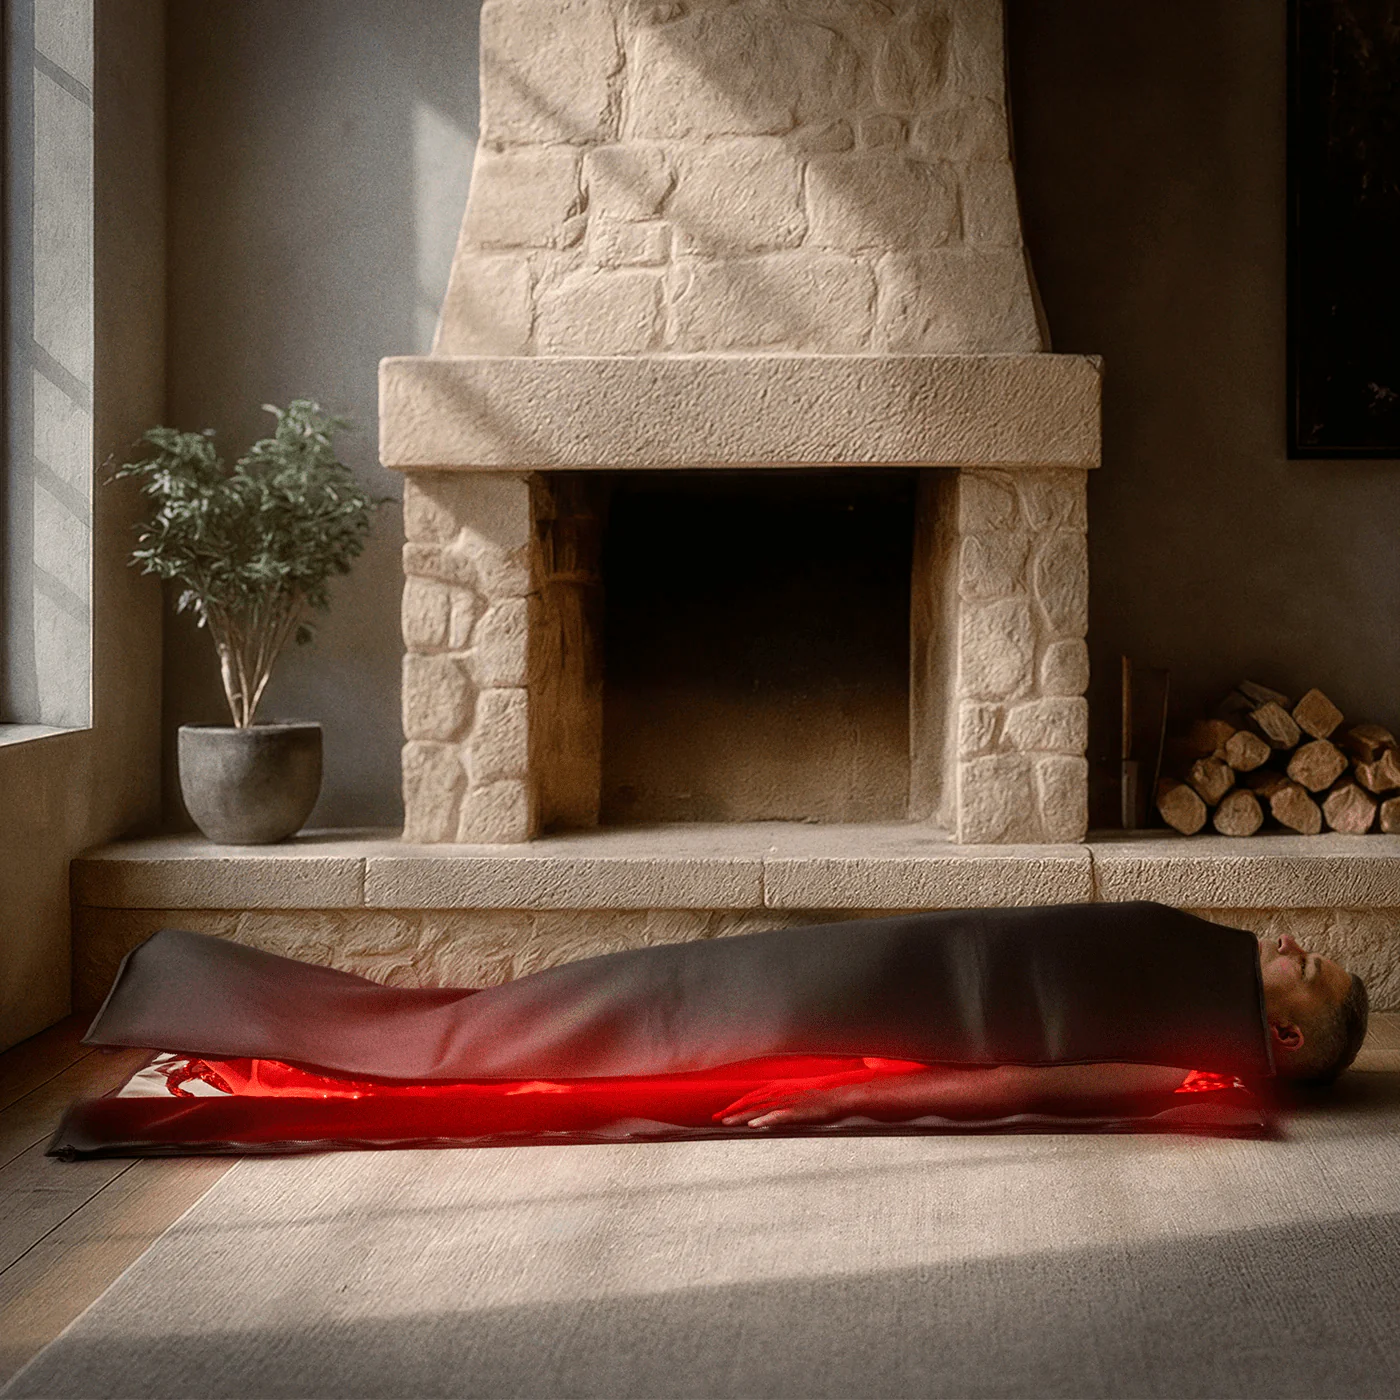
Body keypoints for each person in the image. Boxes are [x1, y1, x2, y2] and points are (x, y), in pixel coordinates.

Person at [717, 932, 1369, 1128]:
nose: (1289, 942)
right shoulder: (1186, 974)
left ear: (1284, 1035)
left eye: (1305, 965)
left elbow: (1014, 1085)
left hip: (887, 1037)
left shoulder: (1181, 1057)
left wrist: (839, 1098)